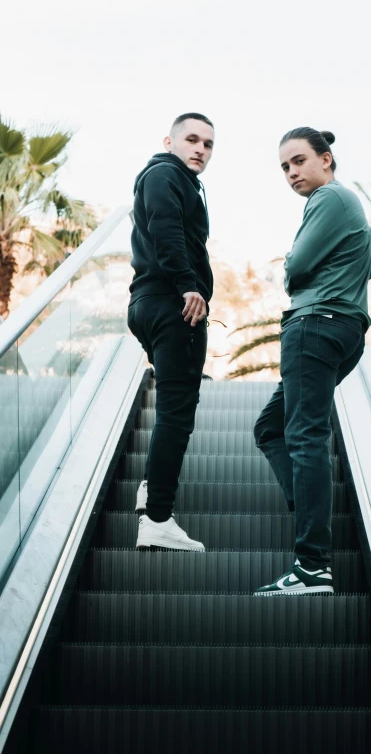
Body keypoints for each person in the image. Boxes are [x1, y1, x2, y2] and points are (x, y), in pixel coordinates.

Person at [253, 127, 371, 595]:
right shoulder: (350, 213)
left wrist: (299, 265)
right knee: (271, 428)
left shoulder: (328, 199)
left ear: (326, 159)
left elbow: (295, 269)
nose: (292, 173)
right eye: (284, 167)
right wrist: (347, 267)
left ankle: (312, 566)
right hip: (342, 331)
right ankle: (310, 520)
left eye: (299, 161)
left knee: (304, 437)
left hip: (314, 326)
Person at [128, 112, 214, 551]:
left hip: (148, 303)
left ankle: (149, 487)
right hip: (171, 304)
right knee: (176, 415)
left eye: (208, 144)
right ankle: (158, 518)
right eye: (192, 139)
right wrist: (188, 286)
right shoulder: (166, 174)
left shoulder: (165, 178)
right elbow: (165, 230)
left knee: (171, 409)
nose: (200, 149)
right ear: (170, 141)